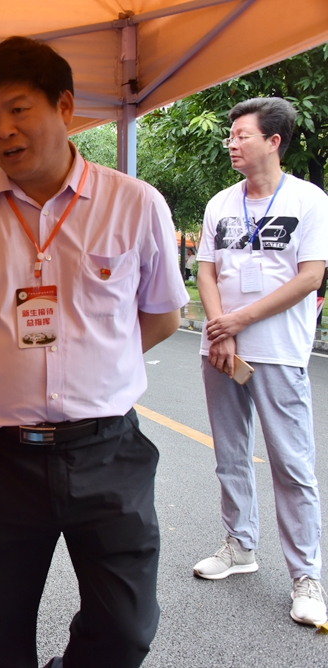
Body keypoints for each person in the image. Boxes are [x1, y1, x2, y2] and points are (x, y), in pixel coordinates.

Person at [0, 37, 187, 668]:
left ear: (64, 107)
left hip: (107, 451)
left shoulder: (134, 203)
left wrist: (101, 361)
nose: (2, 130)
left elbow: (163, 316)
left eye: (18, 109)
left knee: (125, 630)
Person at [193, 97, 327, 626]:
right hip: (220, 349)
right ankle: (240, 545)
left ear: (273, 141)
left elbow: (310, 277)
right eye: (230, 135)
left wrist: (238, 322)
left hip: (276, 351)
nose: (231, 143)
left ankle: (306, 576)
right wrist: (219, 329)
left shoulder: (309, 200)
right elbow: (207, 271)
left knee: (291, 464)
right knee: (230, 455)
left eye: (241, 135)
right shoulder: (221, 203)